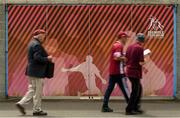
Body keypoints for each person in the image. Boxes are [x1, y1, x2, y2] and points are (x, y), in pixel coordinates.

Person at [15, 29, 53, 116]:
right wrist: (48, 58)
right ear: (38, 36)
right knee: (38, 92)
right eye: (43, 36)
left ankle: (21, 103)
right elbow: (37, 57)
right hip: (37, 72)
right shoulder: (37, 45)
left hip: (31, 71)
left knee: (32, 89)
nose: (44, 38)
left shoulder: (31, 43)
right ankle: (37, 110)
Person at [101, 31, 129, 112]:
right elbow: (116, 57)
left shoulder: (116, 45)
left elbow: (116, 56)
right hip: (119, 72)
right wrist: (125, 58)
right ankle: (131, 106)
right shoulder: (118, 46)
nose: (127, 39)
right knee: (125, 89)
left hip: (113, 72)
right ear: (122, 37)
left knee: (109, 89)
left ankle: (105, 106)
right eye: (126, 38)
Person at [125, 33, 149, 115]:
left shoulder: (130, 47)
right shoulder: (140, 48)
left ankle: (135, 107)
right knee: (135, 91)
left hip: (129, 71)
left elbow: (126, 59)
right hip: (135, 72)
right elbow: (141, 63)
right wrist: (146, 59)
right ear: (143, 41)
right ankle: (129, 109)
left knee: (138, 89)